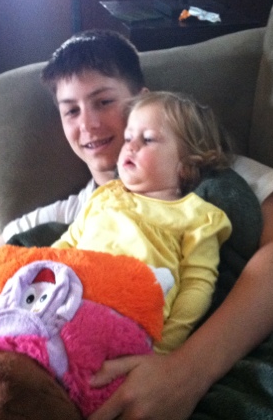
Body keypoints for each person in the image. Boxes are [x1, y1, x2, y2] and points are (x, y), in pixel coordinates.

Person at [0, 30, 273, 420]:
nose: (88, 125)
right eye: (70, 111)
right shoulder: (59, 217)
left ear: (140, 101)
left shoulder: (206, 170)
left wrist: (187, 370)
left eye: (103, 102)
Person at [52, 91, 232, 353]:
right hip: (63, 305)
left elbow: (197, 286)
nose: (130, 146)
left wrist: (165, 348)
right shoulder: (105, 195)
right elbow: (66, 244)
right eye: (128, 138)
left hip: (127, 328)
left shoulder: (198, 217)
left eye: (147, 139)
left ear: (187, 163)